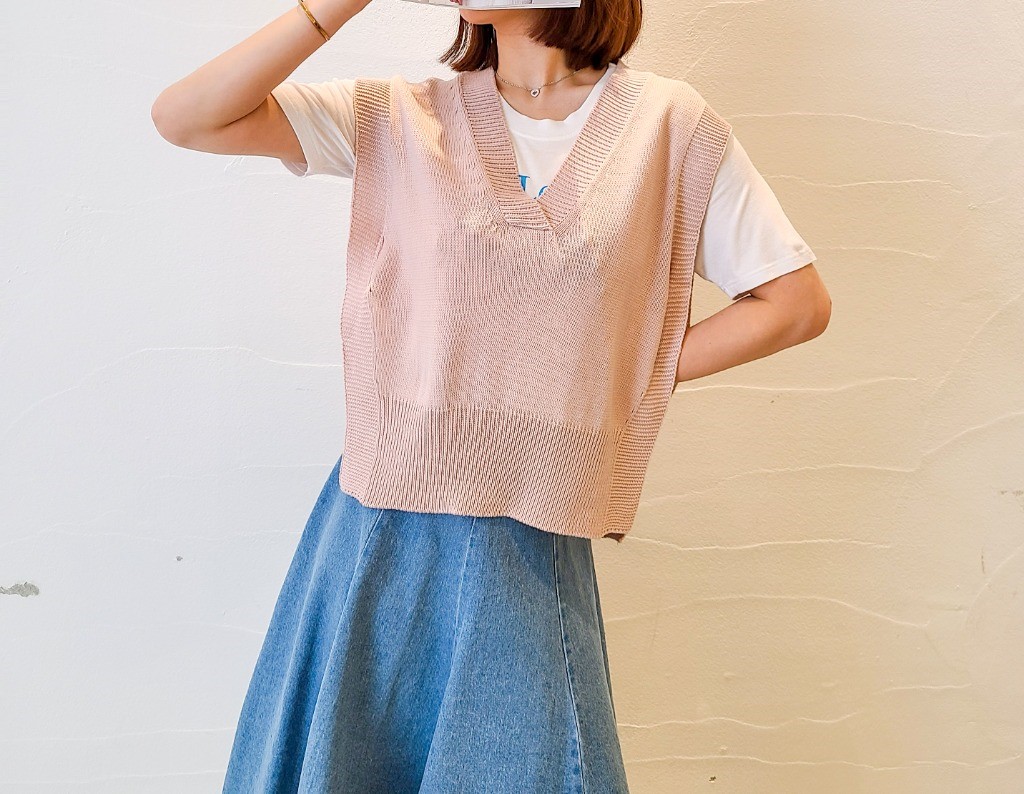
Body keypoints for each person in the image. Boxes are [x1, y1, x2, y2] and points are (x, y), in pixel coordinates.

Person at [152, 0, 831, 790]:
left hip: (529, 544)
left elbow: (794, 304)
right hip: (378, 525)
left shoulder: (667, 127)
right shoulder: (401, 117)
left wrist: (620, 370)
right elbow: (188, 117)